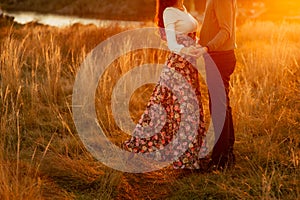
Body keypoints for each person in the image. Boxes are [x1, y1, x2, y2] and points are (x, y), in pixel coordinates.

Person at [123, 0, 208, 170]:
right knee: (177, 110)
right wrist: (187, 50)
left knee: (190, 109)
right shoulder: (169, 11)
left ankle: (191, 157)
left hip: (189, 66)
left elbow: (191, 35)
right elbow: (172, 43)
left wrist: (199, 46)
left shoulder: (183, 8)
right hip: (178, 66)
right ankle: (140, 146)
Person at [198, 0, 237, 170]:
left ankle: (220, 161)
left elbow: (226, 30)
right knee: (222, 106)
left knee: (218, 108)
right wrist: (201, 42)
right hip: (218, 56)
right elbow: (212, 27)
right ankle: (227, 153)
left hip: (219, 58)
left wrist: (207, 47)